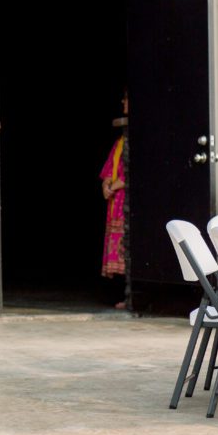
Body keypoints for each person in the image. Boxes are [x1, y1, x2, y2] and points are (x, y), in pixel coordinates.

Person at [100, 92, 128, 309]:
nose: (123, 101)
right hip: (115, 202)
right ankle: (121, 295)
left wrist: (116, 185)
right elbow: (109, 169)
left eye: (126, 98)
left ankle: (130, 298)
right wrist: (107, 185)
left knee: (128, 247)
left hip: (126, 201)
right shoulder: (120, 143)